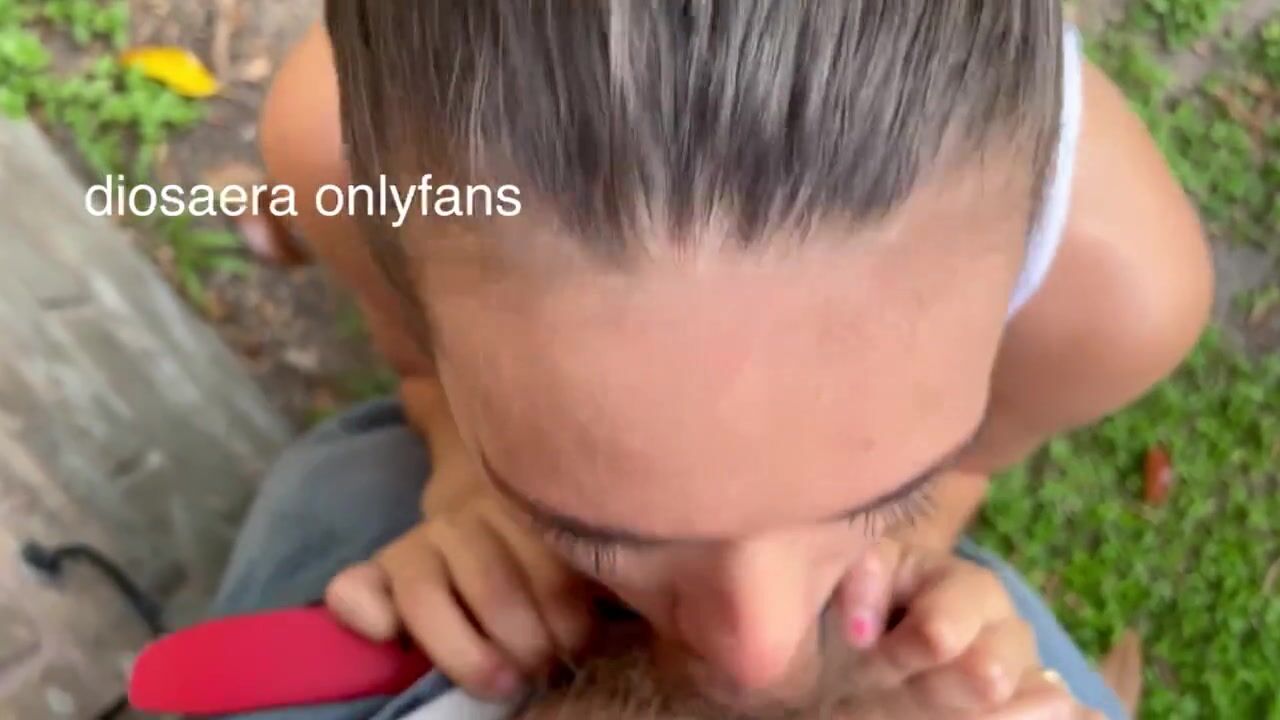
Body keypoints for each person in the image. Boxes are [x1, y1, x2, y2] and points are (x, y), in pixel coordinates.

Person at [212, 1, 1212, 718]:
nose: (757, 662)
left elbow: (964, 474)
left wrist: (901, 588)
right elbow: (426, 377)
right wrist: (465, 485)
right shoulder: (334, 156)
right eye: (584, 524)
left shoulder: (1115, 304)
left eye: (887, 489)